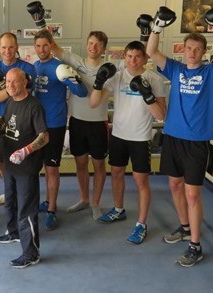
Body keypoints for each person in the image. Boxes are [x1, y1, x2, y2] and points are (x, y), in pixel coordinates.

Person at [147, 6, 213, 266]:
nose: (192, 52)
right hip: (173, 138)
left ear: (203, 52)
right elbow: (151, 52)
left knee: (192, 194)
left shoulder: (211, 74)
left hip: (197, 142)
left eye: (197, 49)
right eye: (188, 48)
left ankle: (196, 245)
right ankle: (185, 227)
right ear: (183, 49)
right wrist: (156, 27)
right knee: (175, 186)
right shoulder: (176, 70)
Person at [89, 41, 167, 244]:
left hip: (141, 138)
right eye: (129, 56)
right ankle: (118, 209)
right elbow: (94, 103)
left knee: (141, 181)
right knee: (116, 173)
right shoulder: (117, 76)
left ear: (145, 58)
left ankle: (141, 224)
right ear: (124, 57)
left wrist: (147, 95)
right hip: (119, 135)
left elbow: (161, 116)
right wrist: (98, 81)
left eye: (137, 56)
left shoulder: (154, 79)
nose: (133, 61)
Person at [33, 29, 88, 230]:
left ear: (51, 45)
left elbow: (82, 92)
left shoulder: (60, 67)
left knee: (52, 168)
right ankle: (47, 201)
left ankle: (52, 209)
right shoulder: (35, 67)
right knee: (40, 169)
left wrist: (71, 79)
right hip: (36, 124)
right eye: (38, 46)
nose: (41, 49)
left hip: (54, 124)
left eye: (45, 45)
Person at [53, 31, 111, 220]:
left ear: (103, 48)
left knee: (99, 165)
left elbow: (97, 100)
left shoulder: (108, 70)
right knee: (80, 164)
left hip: (98, 123)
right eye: (90, 43)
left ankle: (96, 203)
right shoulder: (76, 61)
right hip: (77, 121)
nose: (92, 47)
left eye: (97, 45)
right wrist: (41, 23)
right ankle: (85, 199)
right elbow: (54, 47)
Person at [0, 68, 48, 269]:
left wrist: (26, 150)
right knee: (10, 201)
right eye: (7, 81)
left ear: (24, 82)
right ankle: (14, 233)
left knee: (26, 209)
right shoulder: (10, 101)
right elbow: (6, 127)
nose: (10, 85)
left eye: (14, 82)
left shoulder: (34, 106)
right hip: (10, 164)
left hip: (26, 166)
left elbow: (44, 137)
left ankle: (31, 253)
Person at [0, 32, 37, 207]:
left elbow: (26, 94)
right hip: (1, 123)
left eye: (11, 47)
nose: (8, 51)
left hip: (23, 123)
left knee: (23, 161)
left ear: (17, 47)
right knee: (3, 162)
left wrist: (5, 88)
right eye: (4, 47)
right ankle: (9, 193)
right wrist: (11, 87)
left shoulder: (28, 69)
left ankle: (24, 196)